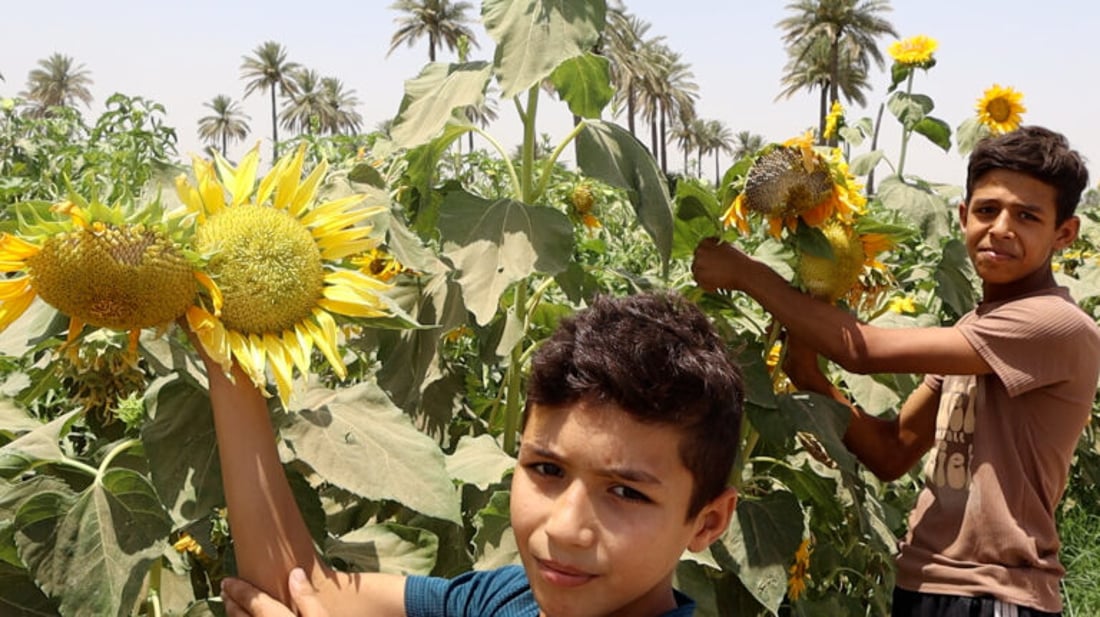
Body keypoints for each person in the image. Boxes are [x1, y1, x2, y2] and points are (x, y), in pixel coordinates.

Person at [692, 125, 1099, 616]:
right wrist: (809, 373)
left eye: (1027, 216)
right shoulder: (972, 331)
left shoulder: (1054, 324)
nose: (1001, 228)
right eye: (988, 210)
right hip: (924, 583)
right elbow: (891, 452)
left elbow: (863, 351)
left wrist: (745, 272)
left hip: (994, 593)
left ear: (1064, 234)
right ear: (964, 216)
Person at [205, 292, 745, 616]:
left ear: (707, 521)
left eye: (626, 492)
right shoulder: (508, 600)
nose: (564, 528)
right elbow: (307, 590)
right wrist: (225, 350)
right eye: (547, 469)